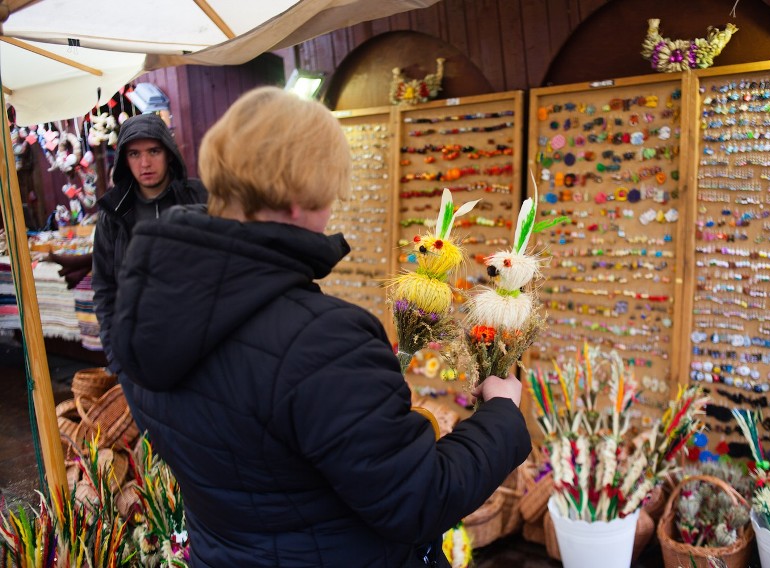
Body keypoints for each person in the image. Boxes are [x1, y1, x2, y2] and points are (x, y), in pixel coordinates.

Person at [110, 87, 531, 567]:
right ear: (297, 198)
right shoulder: (323, 342)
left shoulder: (152, 308)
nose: (331, 206)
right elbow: (417, 499)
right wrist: (501, 412)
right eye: (330, 190)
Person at [92, 113, 207, 372]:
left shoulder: (198, 197)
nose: (145, 163)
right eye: (134, 154)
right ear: (124, 159)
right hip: (139, 350)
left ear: (168, 152)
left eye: (153, 151)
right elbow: (104, 287)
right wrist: (116, 355)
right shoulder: (113, 213)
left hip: (200, 346)